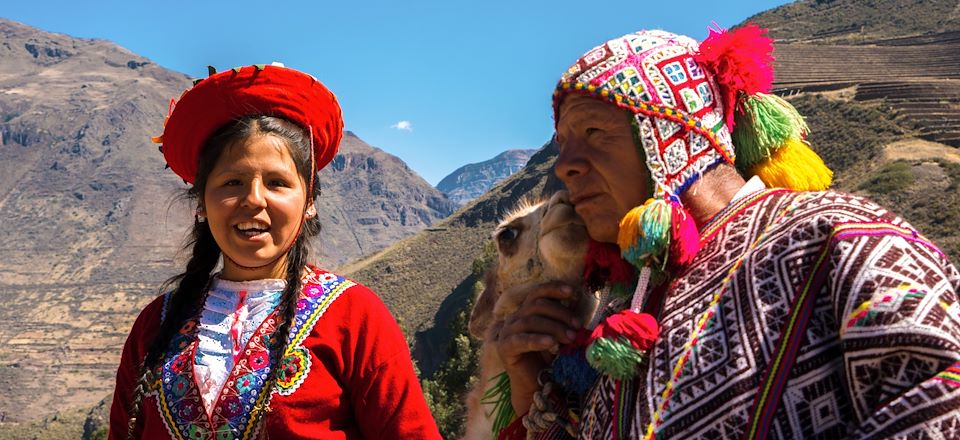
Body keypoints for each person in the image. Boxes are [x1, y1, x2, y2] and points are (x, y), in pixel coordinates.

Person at [494, 26, 960, 439]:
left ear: (672, 138)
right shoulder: (631, 307)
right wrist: (530, 382)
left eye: (593, 132)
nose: (565, 167)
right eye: (563, 144)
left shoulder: (838, 239)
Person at [108, 64, 441, 439]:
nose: (253, 199)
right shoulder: (155, 325)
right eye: (232, 182)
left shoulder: (354, 317)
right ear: (201, 202)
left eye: (277, 183)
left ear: (309, 200)